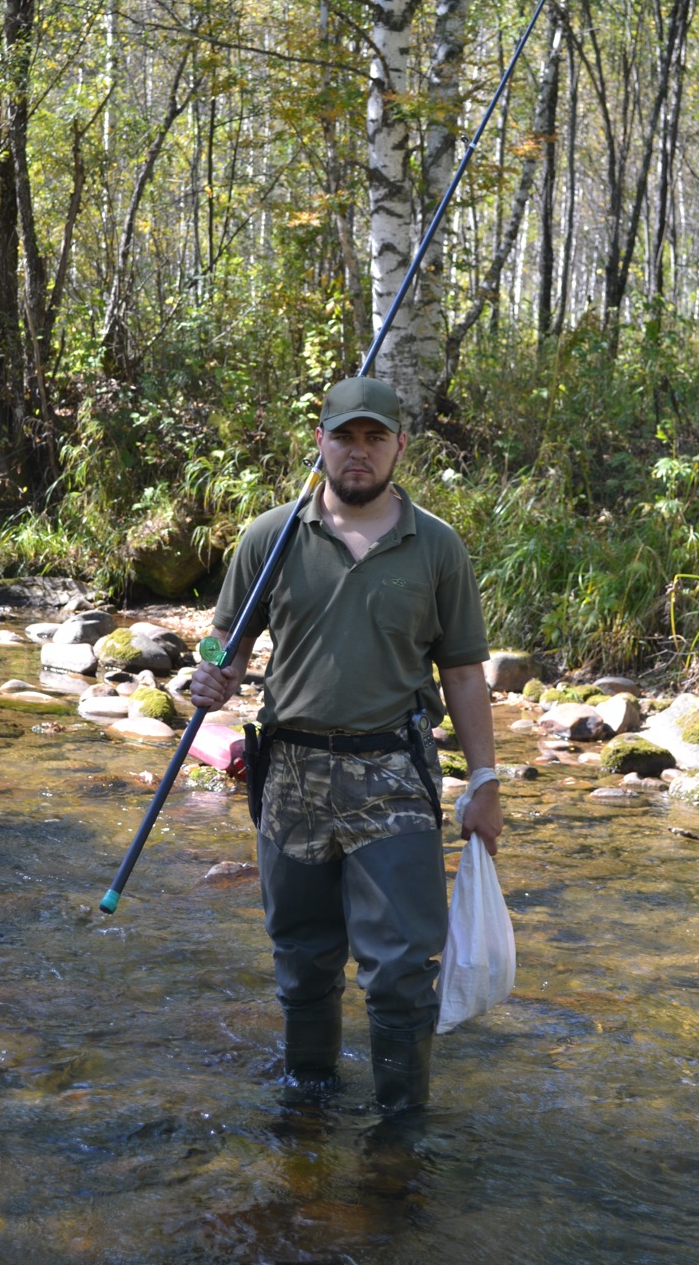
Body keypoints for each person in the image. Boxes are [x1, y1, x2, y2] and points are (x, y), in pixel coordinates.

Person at [190, 376, 502, 1111]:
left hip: (393, 772)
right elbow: (224, 646)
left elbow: (461, 671)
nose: (357, 453)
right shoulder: (270, 537)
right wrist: (214, 678)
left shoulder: (436, 546)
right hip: (290, 773)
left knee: (398, 967)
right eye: (344, 436)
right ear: (320, 442)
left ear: (399, 446)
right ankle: (309, 1105)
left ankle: (400, 1133)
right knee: (301, 958)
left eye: (374, 438)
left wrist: (484, 780)